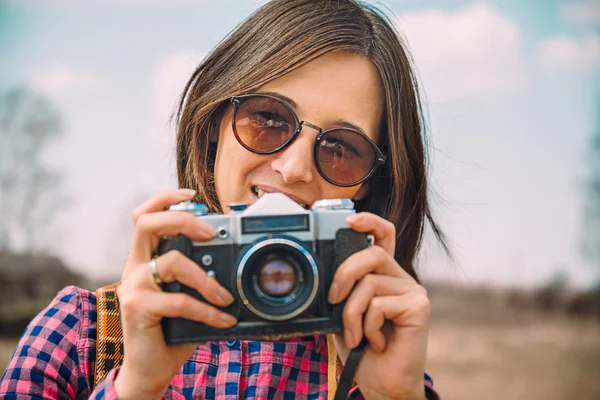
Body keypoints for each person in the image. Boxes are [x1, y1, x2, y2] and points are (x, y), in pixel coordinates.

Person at [0, 0, 447, 399]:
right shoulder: (76, 339)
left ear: (367, 185)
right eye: (268, 118)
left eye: (340, 148)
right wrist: (135, 387)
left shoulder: (382, 365)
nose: (293, 167)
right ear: (214, 120)